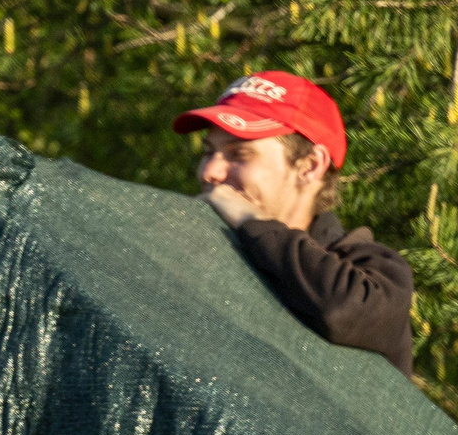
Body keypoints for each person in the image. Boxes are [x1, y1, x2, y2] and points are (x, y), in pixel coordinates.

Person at [174, 71, 416, 376]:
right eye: (209, 152)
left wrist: (252, 220)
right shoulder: (202, 252)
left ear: (311, 166)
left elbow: (345, 310)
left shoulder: (371, 270)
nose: (209, 172)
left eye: (239, 154)